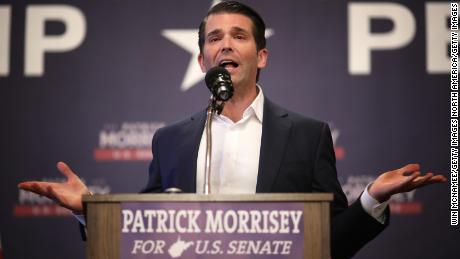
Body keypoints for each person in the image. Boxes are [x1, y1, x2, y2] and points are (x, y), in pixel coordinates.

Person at [18, 1, 446, 258]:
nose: (225, 44)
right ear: (203, 59)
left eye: (238, 36)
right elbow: (143, 234)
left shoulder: (307, 134)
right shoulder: (171, 140)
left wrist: (370, 199)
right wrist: (89, 209)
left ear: (261, 56)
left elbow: (329, 243)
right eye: (214, 38)